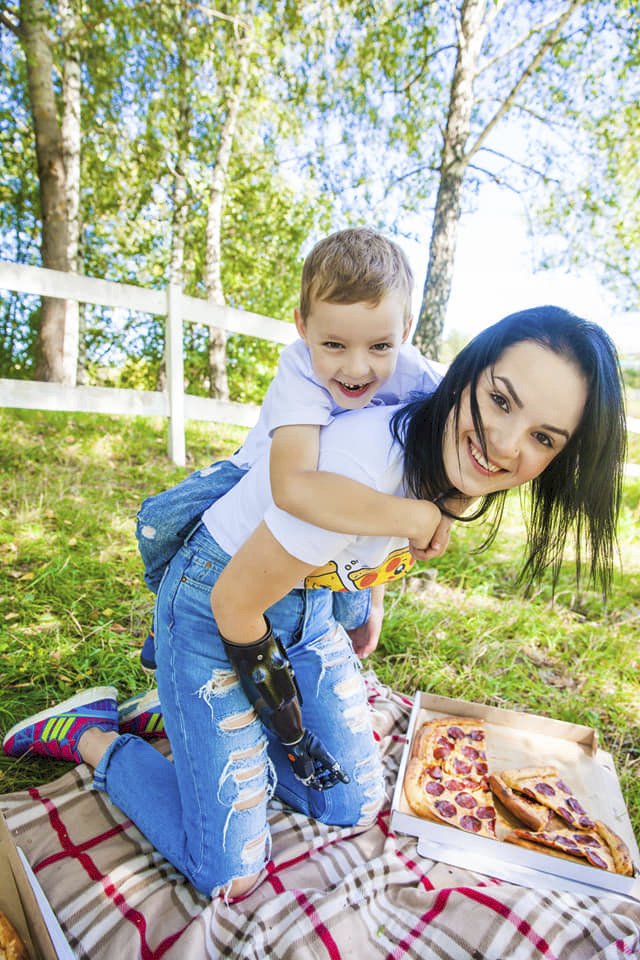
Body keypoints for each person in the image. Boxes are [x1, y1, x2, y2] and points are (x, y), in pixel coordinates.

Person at [3, 306, 627, 902]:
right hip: (216, 606)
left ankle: (181, 716)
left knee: (349, 801)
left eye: (543, 437)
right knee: (227, 871)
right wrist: (288, 727)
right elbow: (234, 606)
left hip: (304, 602)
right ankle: (95, 736)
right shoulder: (360, 461)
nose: (505, 444)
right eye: (500, 400)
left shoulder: (450, 445)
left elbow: (372, 537)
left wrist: (368, 602)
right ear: (470, 372)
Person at [136, 227, 455, 668]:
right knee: (160, 523)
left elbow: (472, 430)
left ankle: (329, 643)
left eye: (380, 346)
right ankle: (168, 609)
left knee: (346, 597)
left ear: (405, 329)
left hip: (354, 498)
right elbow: (291, 487)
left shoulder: (419, 376)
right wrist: (421, 518)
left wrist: (445, 517)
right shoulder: (299, 366)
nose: (357, 367)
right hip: (261, 471)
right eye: (334, 345)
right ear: (303, 327)